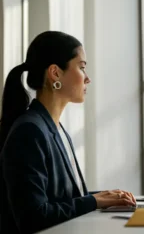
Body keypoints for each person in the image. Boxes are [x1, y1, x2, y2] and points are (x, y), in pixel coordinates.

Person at [0, 31, 136, 233]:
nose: (88, 78)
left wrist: (105, 197)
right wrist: (94, 201)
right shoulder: (29, 131)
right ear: (55, 73)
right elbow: (34, 217)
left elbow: (63, 199)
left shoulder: (55, 128)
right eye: (82, 68)